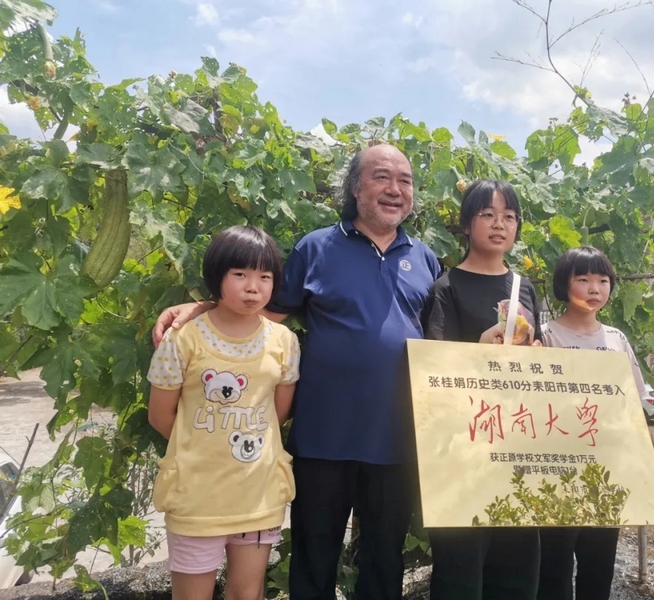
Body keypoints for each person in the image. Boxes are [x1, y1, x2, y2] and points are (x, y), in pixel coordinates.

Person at [152, 144, 441, 600]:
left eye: (405, 180)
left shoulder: (425, 258)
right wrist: (203, 308)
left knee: (385, 559)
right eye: (382, 177)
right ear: (355, 188)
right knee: (313, 557)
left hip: (396, 439)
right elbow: (258, 313)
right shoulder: (317, 247)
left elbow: (439, 342)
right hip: (324, 438)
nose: (395, 189)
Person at [147, 225, 300, 600]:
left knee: (247, 594)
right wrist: (203, 445)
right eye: (240, 275)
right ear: (217, 276)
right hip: (197, 497)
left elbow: (275, 414)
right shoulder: (182, 338)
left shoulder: (285, 341)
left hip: (258, 494)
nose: (253, 288)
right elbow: (161, 416)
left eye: (265, 277)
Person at [421, 179, 543, 600]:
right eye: (487, 215)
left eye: (509, 216)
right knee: (461, 571)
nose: (499, 224)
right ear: (466, 224)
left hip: (518, 443)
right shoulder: (447, 288)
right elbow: (435, 371)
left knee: (517, 570)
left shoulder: (525, 288)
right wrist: (479, 349)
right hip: (464, 449)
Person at [536, 246, 646, 600]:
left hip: (605, 470)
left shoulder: (616, 339)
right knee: (553, 565)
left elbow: (633, 402)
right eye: (583, 279)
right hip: (557, 469)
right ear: (563, 285)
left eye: (603, 280)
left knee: (599, 563)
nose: (595, 288)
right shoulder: (545, 336)